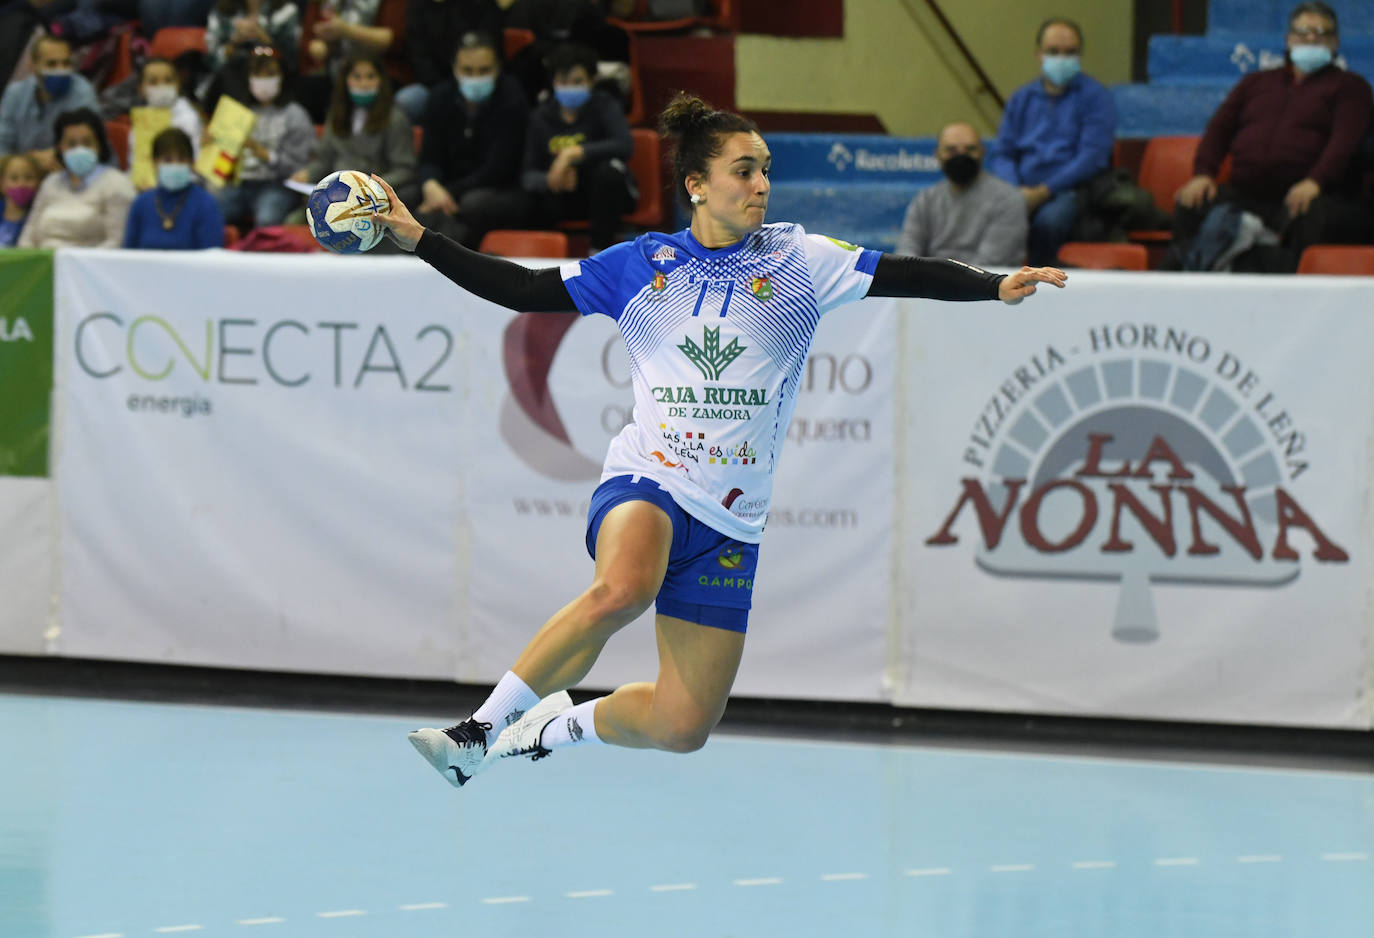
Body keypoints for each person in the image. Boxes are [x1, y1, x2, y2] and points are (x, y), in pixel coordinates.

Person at [368, 93, 1066, 788]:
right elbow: (523, 288)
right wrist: (420, 239)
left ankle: (550, 729)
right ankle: (477, 734)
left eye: (764, 170)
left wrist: (995, 284)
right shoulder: (639, 263)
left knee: (682, 725)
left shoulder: (802, 258)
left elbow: (906, 273)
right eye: (743, 170)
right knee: (623, 588)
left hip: (731, 515)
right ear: (697, 185)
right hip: (650, 477)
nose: (761, 183)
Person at [1169, 1, 1373, 272]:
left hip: (1309, 195)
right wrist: (1203, 174)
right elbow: (1219, 130)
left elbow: (1344, 143)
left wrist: (1315, 181)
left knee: (1313, 217)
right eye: (1303, 32)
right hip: (1246, 195)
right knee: (1191, 204)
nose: (1311, 38)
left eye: (1321, 33)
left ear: (1335, 43)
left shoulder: (1351, 87)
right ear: (1288, 39)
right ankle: (1189, 283)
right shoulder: (1255, 83)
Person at [986, 17, 1115, 267]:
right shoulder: (1021, 98)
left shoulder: (1096, 97)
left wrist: (1044, 191)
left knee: (1048, 223)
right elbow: (1003, 153)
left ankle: (1039, 287)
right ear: (1039, 55)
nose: (1062, 58)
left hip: (1071, 190)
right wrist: (1016, 193)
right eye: (1054, 52)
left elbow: (1092, 158)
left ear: (1080, 56)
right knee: (981, 214)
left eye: (1070, 52)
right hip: (1019, 190)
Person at [415, 31, 529, 248]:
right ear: (455, 69)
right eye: (468, 70)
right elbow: (429, 156)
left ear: (498, 68)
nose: (475, 78)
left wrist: (448, 193)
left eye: (484, 70)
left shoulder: (512, 98)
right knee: (407, 197)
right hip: (449, 187)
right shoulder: (440, 97)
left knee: (473, 204)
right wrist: (430, 184)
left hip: (502, 188)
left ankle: (468, 266)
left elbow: (498, 168)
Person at [522, 42, 636, 251]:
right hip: (561, 194)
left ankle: (599, 252)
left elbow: (624, 144)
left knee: (607, 174)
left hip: (602, 196)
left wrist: (575, 153)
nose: (569, 88)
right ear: (553, 82)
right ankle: (541, 258)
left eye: (577, 81)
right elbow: (527, 174)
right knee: (529, 199)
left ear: (591, 81)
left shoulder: (605, 105)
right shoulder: (540, 117)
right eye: (563, 81)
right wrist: (549, 179)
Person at [898, 120, 1028, 267]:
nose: (960, 156)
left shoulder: (1008, 199)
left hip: (987, 286)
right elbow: (907, 251)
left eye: (970, 149)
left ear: (982, 152)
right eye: (951, 150)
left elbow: (992, 263)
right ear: (937, 154)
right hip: (930, 284)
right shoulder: (925, 199)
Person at [290, 55, 417, 204]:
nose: (364, 83)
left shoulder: (395, 118)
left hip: (375, 199)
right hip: (337, 197)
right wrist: (307, 173)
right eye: (357, 77)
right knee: (292, 219)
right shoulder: (336, 115)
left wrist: (369, 188)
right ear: (346, 81)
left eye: (370, 76)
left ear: (381, 80)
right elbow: (325, 159)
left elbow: (404, 170)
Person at [212, 47, 314, 229]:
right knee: (212, 210)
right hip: (240, 183)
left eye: (270, 74)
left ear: (282, 76)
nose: (263, 80)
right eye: (257, 74)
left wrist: (265, 154)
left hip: (278, 185)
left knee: (267, 218)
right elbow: (220, 159)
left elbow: (301, 167)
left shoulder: (295, 115)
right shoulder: (238, 112)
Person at [19, 107, 135, 248]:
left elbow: (117, 241)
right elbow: (28, 235)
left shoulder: (117, 184)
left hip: (89, 266)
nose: (79, 149)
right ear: (60, 147)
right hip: (43, 263)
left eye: (87, 143)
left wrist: (74, 264)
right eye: (71, 144)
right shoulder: (50, 183)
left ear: (100, 145)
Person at [0, 33, 99, 174]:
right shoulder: (15, 93)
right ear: (32, 66)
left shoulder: (82, 92)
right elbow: (2, 144)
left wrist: (56, 156)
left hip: (67, 172)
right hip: (21, 174)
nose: (60, 70)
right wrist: (29, 161)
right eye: (52, 64)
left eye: (66, 63)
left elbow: (88, 143)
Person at [396, 0, 501, 124]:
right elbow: (417, 54)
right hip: (434, 85)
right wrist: (443, 91)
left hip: (480, 79)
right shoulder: (418, 5)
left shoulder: (480, 4)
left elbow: (492, 48)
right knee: (407, 100)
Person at [123, 127, 224, 248]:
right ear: (154, 163)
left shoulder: (206, 204)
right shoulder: (141, 204)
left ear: (191, 163)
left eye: (181, 160)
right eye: (167, 160)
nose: (175, 165)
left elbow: (210, 258)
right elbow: (129, 254)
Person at [127, 57, 205, 185]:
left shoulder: (189, 118)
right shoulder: (140, 120)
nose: (161, 86)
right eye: (153, 82)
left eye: (168, 80)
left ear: (178, 85)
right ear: (141, 89)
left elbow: (196, 168)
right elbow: (134, 163)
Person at [0, 152, 41, 247]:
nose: (21, 184)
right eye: (14, 178)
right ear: (1, 183)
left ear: (38, 182)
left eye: (29, 178)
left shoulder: (39, 216)